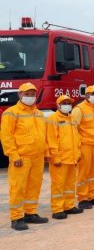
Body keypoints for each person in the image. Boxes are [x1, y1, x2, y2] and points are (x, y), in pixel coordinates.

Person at [1, 83, 48, 230]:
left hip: (37, 157)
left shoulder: (39, 114)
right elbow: (6, 136)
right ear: (20, 95)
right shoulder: (11, 113)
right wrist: (14, 156)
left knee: (34, 186)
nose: (30, 97)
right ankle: (16, 217)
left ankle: (30, 213)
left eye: (32, 94)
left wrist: (46, 153)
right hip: (21, 157)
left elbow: (43, 135)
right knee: (18, 187)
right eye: (27, 94)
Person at [46, 95, 83, 220]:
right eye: (64, 103)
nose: (67, 104)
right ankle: (57, 209)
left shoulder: (72, 119)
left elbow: (76, 138)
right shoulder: (53, 119)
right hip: (60, 160)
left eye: (69, 102)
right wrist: (55, 157)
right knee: (58, 185)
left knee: (69, 184)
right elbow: (51, 140)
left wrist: (78, 154)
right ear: (58, 105)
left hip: (71, 158)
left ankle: (69, 206)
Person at [72, 85, 94, 209]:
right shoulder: (79, 109)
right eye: (93, 94)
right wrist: (77, 146)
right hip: (85, 145)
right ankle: (82, 198)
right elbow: (73, 129)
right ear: (86, 95)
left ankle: (92, 195)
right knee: (83, 172)